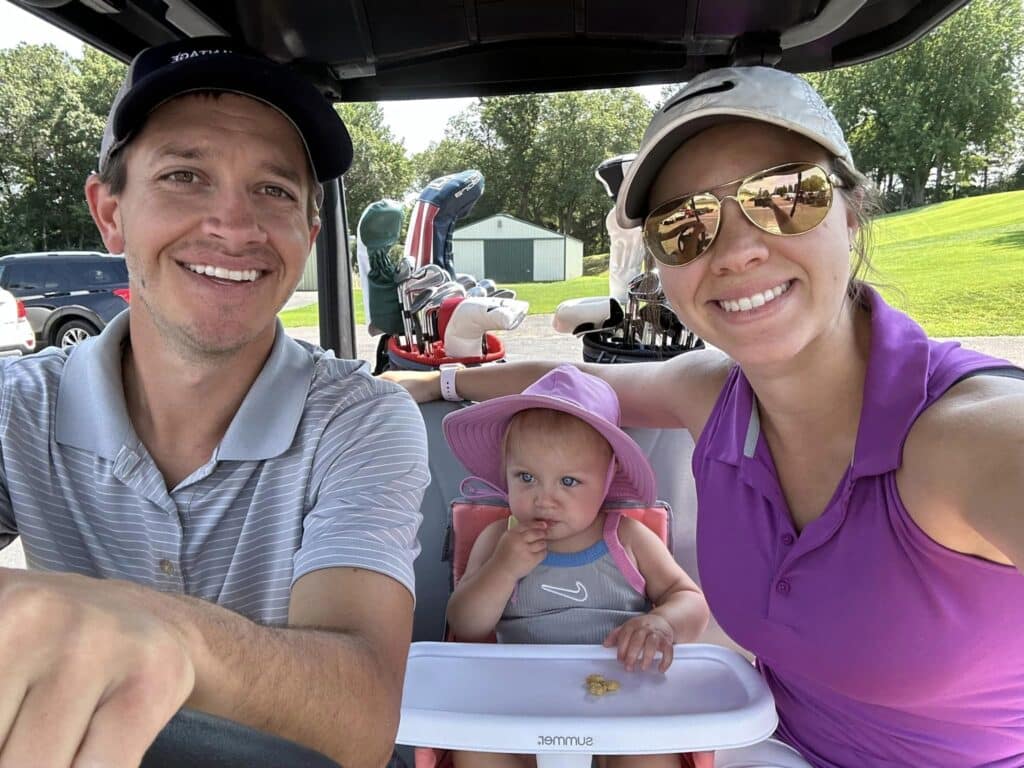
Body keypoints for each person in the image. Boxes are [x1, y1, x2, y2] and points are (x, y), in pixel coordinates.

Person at [384, 66, 1024, 767]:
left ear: (848, 211)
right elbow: (572, 380)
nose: (737, 250)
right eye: (686, 226)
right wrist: (435, 380)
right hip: (762, 743)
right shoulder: (714, 392)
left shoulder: (975, 435)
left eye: (784, 196)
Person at [0, 36, 429, 768]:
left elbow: (362, 716)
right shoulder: (17, 409)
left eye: (274, 191)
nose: (234, 227)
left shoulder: (361, 418)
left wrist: (155, 635)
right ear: (110, 213)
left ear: (308, 233)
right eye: (185, 176)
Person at [442, 365, 709, 768]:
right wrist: (502, 569)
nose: (544, 499)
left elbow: (690, 599)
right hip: (520, 708)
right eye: (526, 477)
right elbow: (465, 624)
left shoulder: (629, 539)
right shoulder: (499, 541)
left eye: (568, 482)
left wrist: (664, 623)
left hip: (621, 702)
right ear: (506, 472)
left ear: (607, 479)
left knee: (653, 753)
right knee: (472, 749)